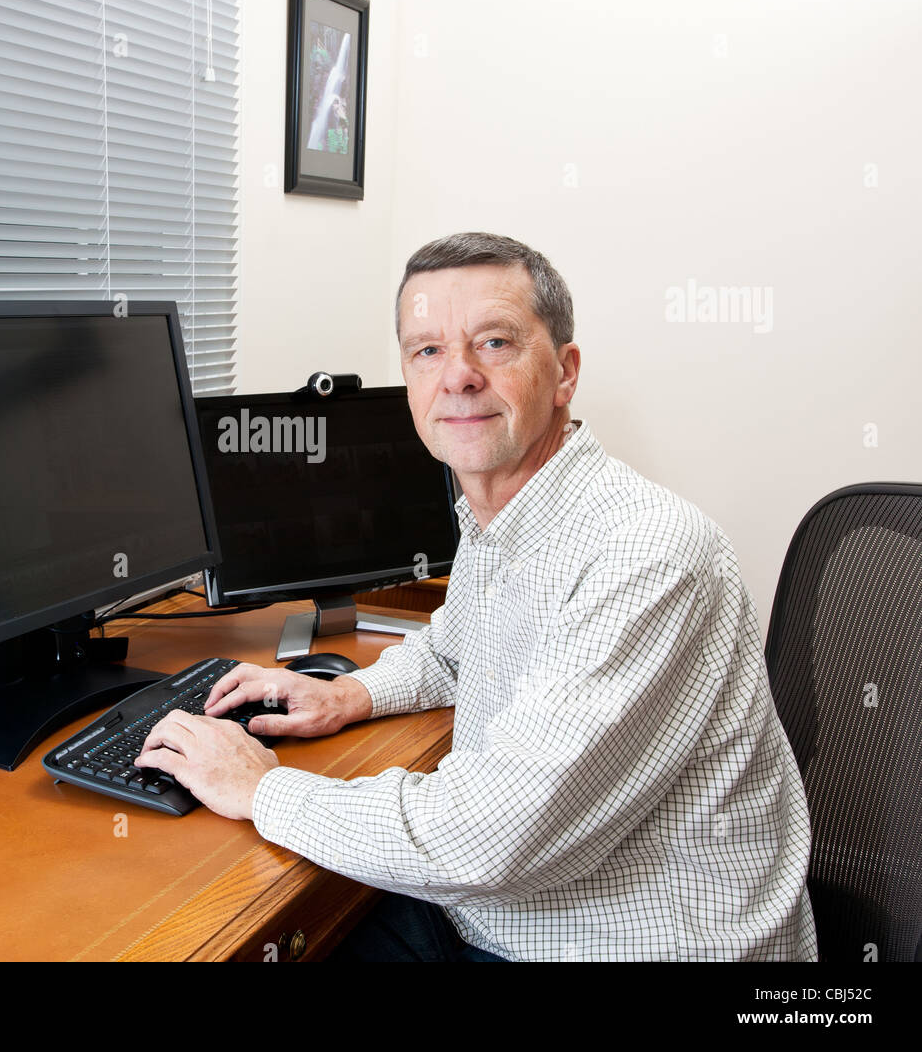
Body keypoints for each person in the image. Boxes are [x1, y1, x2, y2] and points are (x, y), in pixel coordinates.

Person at [135, 231, 818, 962]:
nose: (457, 376)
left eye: (494, 343)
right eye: (427, 350)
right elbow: (454, 650)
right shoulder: (503, 517)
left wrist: (260, 790)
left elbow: (486, 839)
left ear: (565, 372)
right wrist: (347, 696)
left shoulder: (647, 555)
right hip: (495, 916)